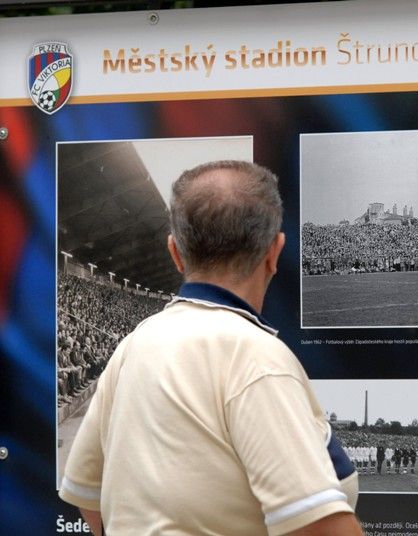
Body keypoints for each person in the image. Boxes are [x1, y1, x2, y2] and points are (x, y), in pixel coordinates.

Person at [58, 161, 362, 536]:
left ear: (175, 252)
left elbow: (88, 494)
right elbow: (323, 528)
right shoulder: (255, 356)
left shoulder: (133, 344)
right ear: (274, 251)